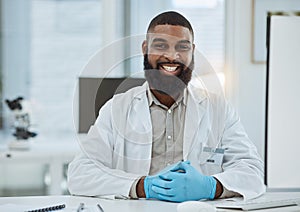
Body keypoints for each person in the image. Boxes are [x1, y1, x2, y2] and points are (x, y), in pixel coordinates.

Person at [68, 11, 265, 202]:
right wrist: (142, 186)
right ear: (145, 48)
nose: (172, 56)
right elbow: (80, 173)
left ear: (192, 52)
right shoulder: (117, 109)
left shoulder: (218, 109)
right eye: (161, 45)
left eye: (182, 47)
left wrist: (211, 186)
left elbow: (252, 171)